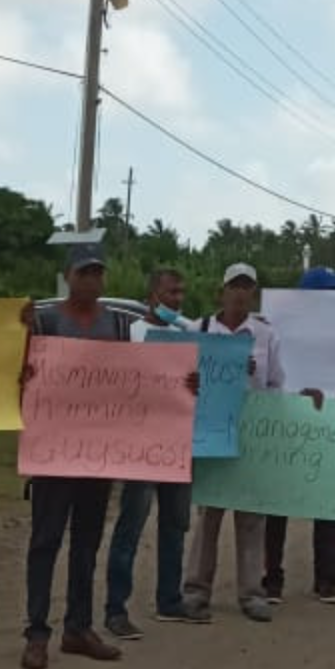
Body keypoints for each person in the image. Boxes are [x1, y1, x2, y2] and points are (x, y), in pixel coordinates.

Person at [184, 263, 319, 623]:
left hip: (251, 434)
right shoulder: (200, 330)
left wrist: (293, 403)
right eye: (235, 286)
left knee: (251, 518)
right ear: (222, 291)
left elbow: (276, 385)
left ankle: (252, 592)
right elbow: (183, 380)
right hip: (212, 433)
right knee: (208, 516)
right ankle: (196, 590)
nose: (241, 293)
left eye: (247, 287)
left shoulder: (265, 335)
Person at [21, 244, 131, 669]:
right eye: (84, 272)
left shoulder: (117, 325)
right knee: (45, 542)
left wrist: (181, 383)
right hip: (53, 450)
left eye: (98, 273)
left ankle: (78, 627)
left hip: (98, 452)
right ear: (68, 275)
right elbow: (20, 370)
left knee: (87, 542)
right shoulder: (46, 322)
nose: (92, 281)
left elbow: (139, 380)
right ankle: (36, 632)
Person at [103, 268, 203, 639]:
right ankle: (115, 608)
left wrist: (197, 384)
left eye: (181, 292)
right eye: (170, 292)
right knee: (131, 525)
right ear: (152, 297)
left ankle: (169, 600)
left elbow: (195, 389)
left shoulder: (185, 337)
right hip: (142, 445)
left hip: (177, 443)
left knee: (175, 525)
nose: (177, 299)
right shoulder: (132, 335)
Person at [261, 266, 335, 606]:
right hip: (288, 417)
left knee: (328, 500)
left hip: (330, 417)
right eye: (332, 291)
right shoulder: (277, 329)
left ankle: (326, 580)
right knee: (277, 505)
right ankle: (272, 579)